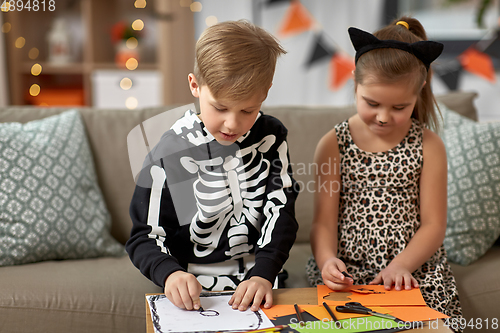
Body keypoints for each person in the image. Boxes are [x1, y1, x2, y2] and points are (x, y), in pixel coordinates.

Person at [126, 20, 298, 313]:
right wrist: (169, 274)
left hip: (260, 279)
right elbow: (144, 235)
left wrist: (264, 272)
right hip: (190, 288)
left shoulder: (270, 137)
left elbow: (280, 210)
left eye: (247, 110)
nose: (232, 124)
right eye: (220, 107)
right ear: (195, 85)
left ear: (265, 93)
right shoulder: (169, 151)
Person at [306, 17, 463, 320]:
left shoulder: (429, 145)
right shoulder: (332, 144)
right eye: (372, 103)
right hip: (348, 270)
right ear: (354, 81)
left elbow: (433, 224)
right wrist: (327, 261)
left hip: (412, 268)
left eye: (399, 107)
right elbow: (322, 223)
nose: (382, 117)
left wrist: (402, 265)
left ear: (421, 89)